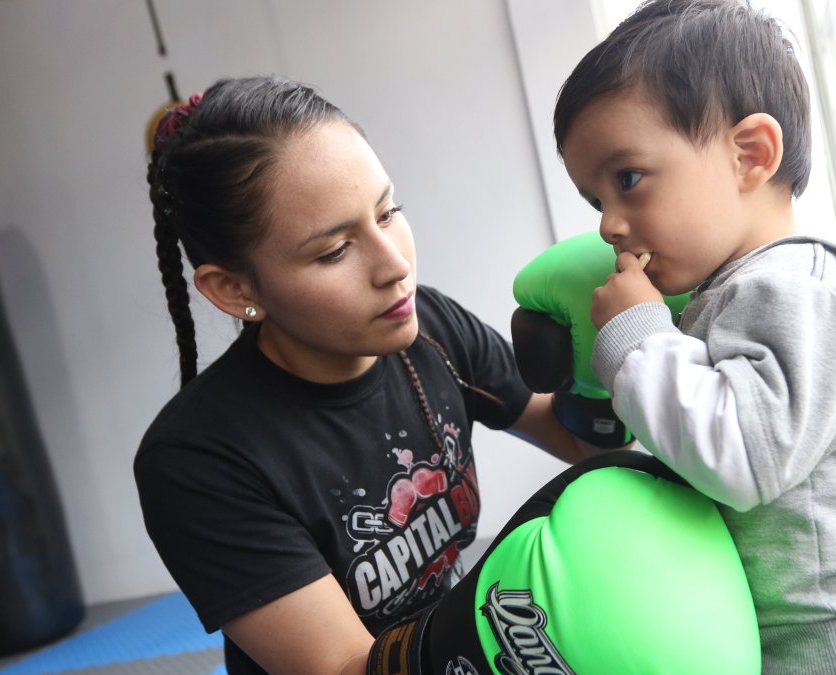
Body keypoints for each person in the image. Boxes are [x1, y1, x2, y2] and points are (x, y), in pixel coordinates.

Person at [134, 75, 612, 674]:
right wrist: (522, 631)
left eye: (388, 213)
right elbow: (342, 667)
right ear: (234, 288)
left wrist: (612, 361)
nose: (395, 267)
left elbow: (582, 444)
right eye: (334, 251)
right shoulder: (199, 460)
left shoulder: (429, 328)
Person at [552, 1, 836, 673]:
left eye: (628, 180)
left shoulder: (801, 290)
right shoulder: (747, 288)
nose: (609, 225)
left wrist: (635, 331)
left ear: (750, 155)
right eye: (597, 201)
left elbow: (740, 455)